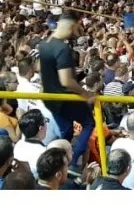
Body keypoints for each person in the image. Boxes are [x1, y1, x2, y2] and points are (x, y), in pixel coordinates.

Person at [38, 14, 97, 171]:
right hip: (63, 98)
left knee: (68, 130)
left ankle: (59, 159)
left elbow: (44, 71)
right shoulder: (62, 48)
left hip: (50, 98)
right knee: (89, 122)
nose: (79, 32)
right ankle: (72, 161)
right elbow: (66, 81)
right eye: (78, 28)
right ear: (72, 26)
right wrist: (87, 94)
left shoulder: (44, 44)